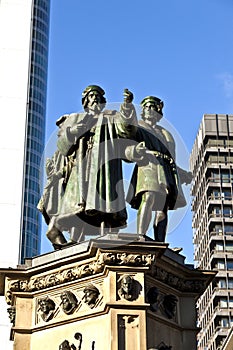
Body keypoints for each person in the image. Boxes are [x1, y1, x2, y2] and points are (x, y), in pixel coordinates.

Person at [45, 85, 136, 247]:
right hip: (81, 166)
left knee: (104, 198)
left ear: (103, 101)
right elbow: (63, 147)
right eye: (91, 96)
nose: (94, 99)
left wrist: (127, 107)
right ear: (86, 102)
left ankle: (105, 233)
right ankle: (73, 239)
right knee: (77, 204)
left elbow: (127, 131)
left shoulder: (111, 117)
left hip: (105, 164)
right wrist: (73, 132)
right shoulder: (76, 119)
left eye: (97, 96)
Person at [126, 96, 192, 241]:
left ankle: (160, 242)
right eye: (147, 107)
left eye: (154, 107)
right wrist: (127, 106)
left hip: (165, 169)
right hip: (148, 165)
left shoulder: (165, 133)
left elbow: (171, 159)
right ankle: (140, 236)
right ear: (143, 111)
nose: (150, 110)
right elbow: (128, 129)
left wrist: (183, 174)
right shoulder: (140, 126)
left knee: (163, 207)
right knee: (148, 196)